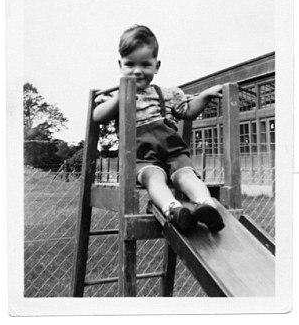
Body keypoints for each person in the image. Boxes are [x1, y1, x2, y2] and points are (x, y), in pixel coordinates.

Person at [93, 25, 224, 233]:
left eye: (145, 64)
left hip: (172, 150)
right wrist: (120, 96)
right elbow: (97, 116)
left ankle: (207, 205)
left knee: (187, 175)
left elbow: (188, 111)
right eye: (129, 64)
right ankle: (173, 209)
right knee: (154, 177)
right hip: (141, 156)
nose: (137, 71)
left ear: (157, 65)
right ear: (120, 65)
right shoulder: (114, 96)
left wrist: (204, 97)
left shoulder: (168, 94)